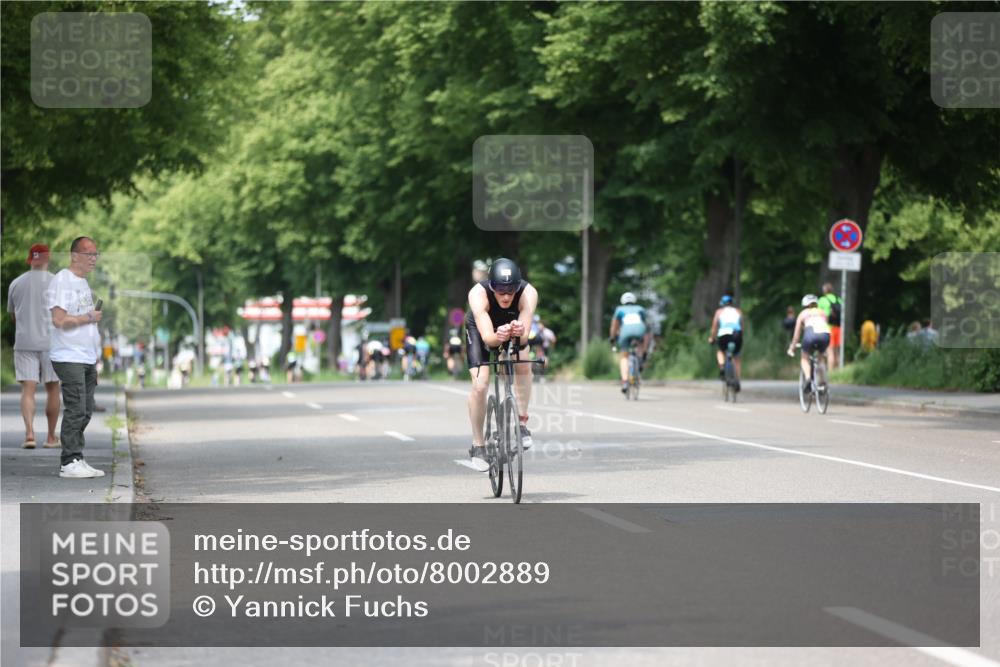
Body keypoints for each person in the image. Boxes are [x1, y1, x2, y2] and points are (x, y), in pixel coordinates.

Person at [466, 258, 538, 471]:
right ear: (491, 287)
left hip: (513, 329)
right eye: (500, 290)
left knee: (523, 363)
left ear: (518, 286)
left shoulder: (528, 293)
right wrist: (499, 336)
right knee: (480, 385)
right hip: (482, 332)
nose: (506, 296)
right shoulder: (477, 294)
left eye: (511, 291)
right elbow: (488, 339)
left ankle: (522, 423)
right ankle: (478, 445)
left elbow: (523, 339)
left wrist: (518, 333)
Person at [48, 236, 104, 479]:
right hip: (68, 355)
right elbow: (59, 320)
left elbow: (87, 325)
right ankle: (68, 461)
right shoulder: (63, 280)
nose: (93, 258)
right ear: (74, 255)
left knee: (87, 409)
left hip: (85, 357)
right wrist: (89, 318)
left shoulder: (82, 283)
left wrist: (96, 358)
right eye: (88, 253)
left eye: (95, 254)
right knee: (76, 409)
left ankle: (77, 457)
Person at [7, 243, 61, 449]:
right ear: (48, 259)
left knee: (28, 390)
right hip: (52, 344)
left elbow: (14, 316)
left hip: (24, 342)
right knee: (53, 388)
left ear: (30, 259)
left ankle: (29, 434)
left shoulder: (16, 284)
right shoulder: (57, 282)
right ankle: (50, 437)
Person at [610, 292, 651, 395]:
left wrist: (612, 338)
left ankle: (624, 381)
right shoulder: (640, 309)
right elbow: (647, 325)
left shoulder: (619, 309)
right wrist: (646, 345)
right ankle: (641, 358)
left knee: (624, 356)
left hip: (625, 332)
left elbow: (614, 326)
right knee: (643, 339)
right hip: (639, 331)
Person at [787, 294, 831, 389]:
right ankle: (823, 383)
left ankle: (808, 379)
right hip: (825, 336)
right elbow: (825, 327)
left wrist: (792, 348)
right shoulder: (822, 312)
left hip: (810, 336)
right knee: (821, 359)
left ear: (805, 305)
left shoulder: (803, 314)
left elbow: (796, 336)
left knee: (804, 359)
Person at [708, 292, 744, 391]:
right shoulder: (738, 311)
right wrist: (741, 336)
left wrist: (712, 338)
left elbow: (714, 326)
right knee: (736, 358)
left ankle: (722, 367)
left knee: (720, 351)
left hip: (723, 334)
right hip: (736, 334)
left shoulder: (719, 312)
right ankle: (737, 381)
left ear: (722, 304)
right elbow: (742, 326)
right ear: (731, 303)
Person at [817, 283, 842, 370]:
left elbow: (818, 314)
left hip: (828, 328)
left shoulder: (822, 300)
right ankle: (838, 372)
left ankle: (831, 374)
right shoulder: (838, 299)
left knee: (830, 351)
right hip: (838, 327)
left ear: (825, 290)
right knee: (837, 351)